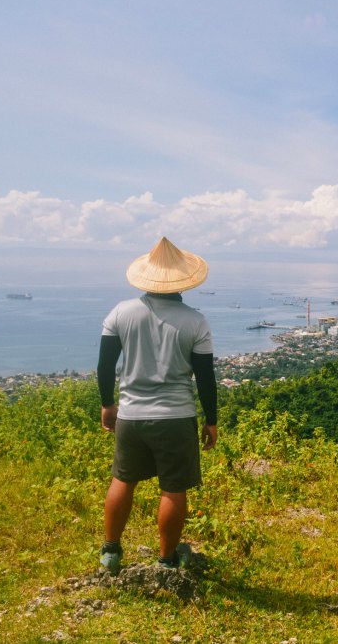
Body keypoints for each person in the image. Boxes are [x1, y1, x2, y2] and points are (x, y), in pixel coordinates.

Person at [96, 236, 218, 575]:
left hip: (131, 415)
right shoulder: (195, 322)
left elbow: (105, 367)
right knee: (173, 488)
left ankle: (110, 553)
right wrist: (211, 421)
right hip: (176, 417)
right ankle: (165, 561)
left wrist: (108, 405)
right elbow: (205, 379)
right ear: (184, 280)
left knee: (122, 480)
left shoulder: (121, 313)